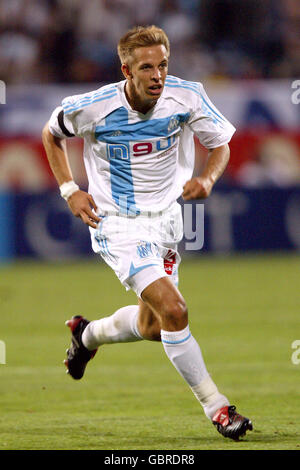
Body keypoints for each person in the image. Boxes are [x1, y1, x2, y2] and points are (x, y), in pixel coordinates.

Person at [42, 25, 252, 441]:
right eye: (147, 68)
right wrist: (70, 191)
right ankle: (219, 408)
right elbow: (52, 134)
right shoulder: (93, 106)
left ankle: (87, 334)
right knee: (174, 310)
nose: (158, 75)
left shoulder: (186, 96)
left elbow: (221, 144)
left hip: (168, 221)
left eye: (163, 65)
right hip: (116, 222)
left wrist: (207, 180)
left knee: (156, 325)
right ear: (126, 71)